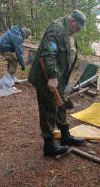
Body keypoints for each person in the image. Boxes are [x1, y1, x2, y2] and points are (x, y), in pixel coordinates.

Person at [28, 10, 86, 157]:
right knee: (48, 108)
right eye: (77, 26)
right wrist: (52, 77)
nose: (78, 30)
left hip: (59, 77)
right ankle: (48, 146)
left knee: (61, 105)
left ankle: (65, 136)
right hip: (45, 76)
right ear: (71, 20)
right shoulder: (56, 29)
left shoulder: (69, 30)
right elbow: (48, 54)